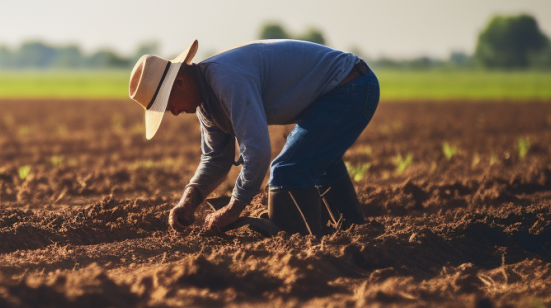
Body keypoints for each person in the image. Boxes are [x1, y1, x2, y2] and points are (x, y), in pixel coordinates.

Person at [128, 39, 378, 235]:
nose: (173, 112)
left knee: (287, 169)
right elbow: (215, 159)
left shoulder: (226, 80)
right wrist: (187, 202)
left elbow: (257, 151)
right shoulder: (205, 103)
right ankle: (354, 232)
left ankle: (301, 247)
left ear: (180, 83)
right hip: (342, 90)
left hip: (351, 87)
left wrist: (234, 209)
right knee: (315, 159)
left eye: (168, 104)